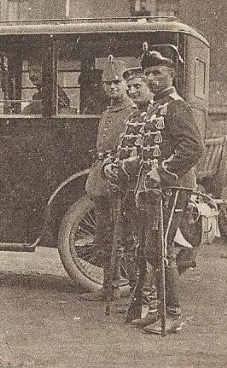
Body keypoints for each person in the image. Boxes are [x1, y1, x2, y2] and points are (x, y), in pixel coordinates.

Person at [125, 44, 202, 335]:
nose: (152, 78)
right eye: (148, 73)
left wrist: (163, 172)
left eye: (158, 72)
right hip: (152, 192)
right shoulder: (156, 106)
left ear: (171, 74)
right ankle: (157, 311)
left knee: (162, 250)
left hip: (170, 191)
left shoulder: (176, 106)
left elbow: (193, 148)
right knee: (151, 250)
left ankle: (172, 314)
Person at [79, 57, 136, 301]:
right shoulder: (107, 112)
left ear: (126, 84)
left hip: (120, 180)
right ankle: (108, 287)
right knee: (104, 237)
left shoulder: (133, 112)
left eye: (116, 82)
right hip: (102, 180)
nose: (112, 87)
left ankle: (136, 291)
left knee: (124, 238)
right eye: (107, 83)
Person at [104, 66, 155, 320]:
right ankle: (137, 301)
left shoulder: (152, 116)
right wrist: (109, 166)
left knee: (146, 248)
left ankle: (147, 303)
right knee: (131, 245)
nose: (133, 91)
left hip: (142, 190)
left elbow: (146, 156)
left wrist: (120, 167)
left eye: (138, 87)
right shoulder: (134, 117)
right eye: (131, 87)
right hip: (127, 189)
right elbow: (121, 148)